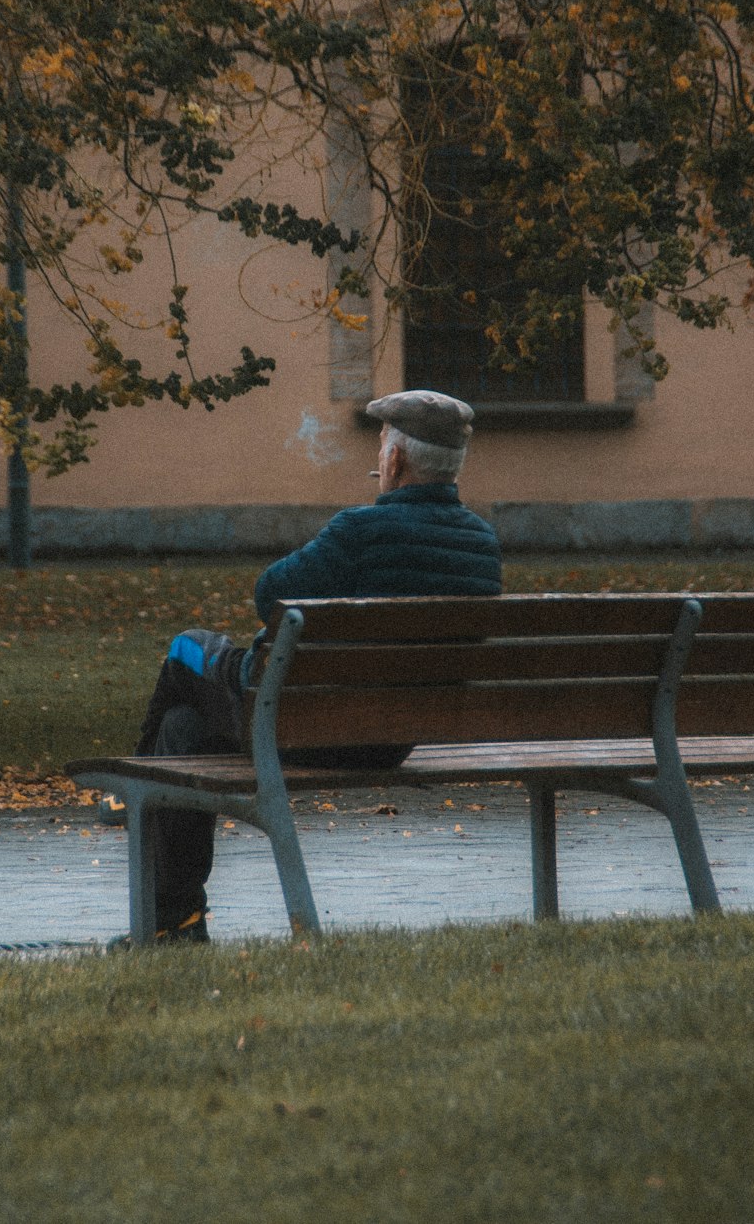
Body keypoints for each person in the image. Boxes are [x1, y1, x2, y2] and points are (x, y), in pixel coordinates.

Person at [126, 389, 502, 944]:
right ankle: (173, 924)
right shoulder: (483, 544)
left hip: (299, 725)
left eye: (381, 447)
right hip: (394, 737)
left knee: (187, 648)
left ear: (394, 461)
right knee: (182, 731)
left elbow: (268, 594)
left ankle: (130, 789)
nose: (378, 457)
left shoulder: (358, 532)